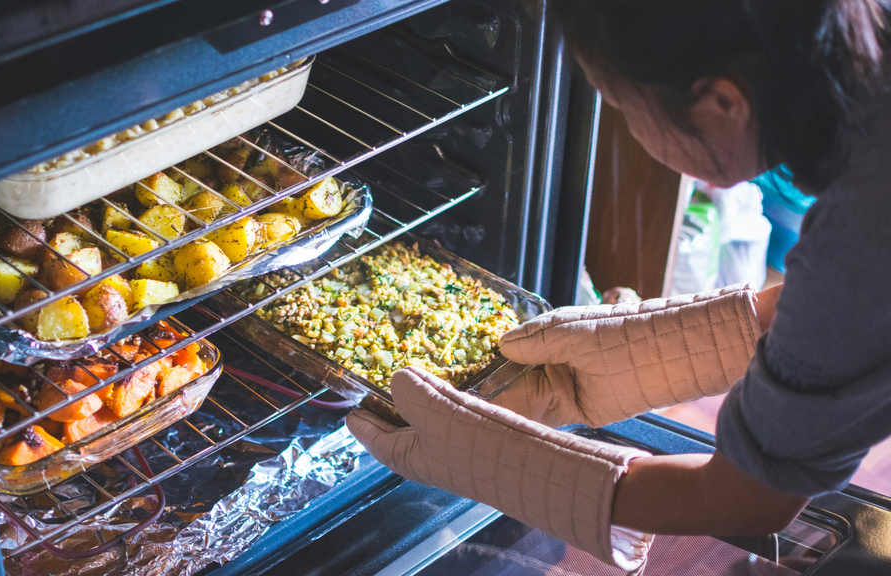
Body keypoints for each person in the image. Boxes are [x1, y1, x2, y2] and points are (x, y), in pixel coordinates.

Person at [346, 1, 891, 574]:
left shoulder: (863, 224)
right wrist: (665, 347)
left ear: (723, 103)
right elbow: (849, 311)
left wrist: (502, 463)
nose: (630, 127)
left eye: (624, 106)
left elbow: (746, 501)